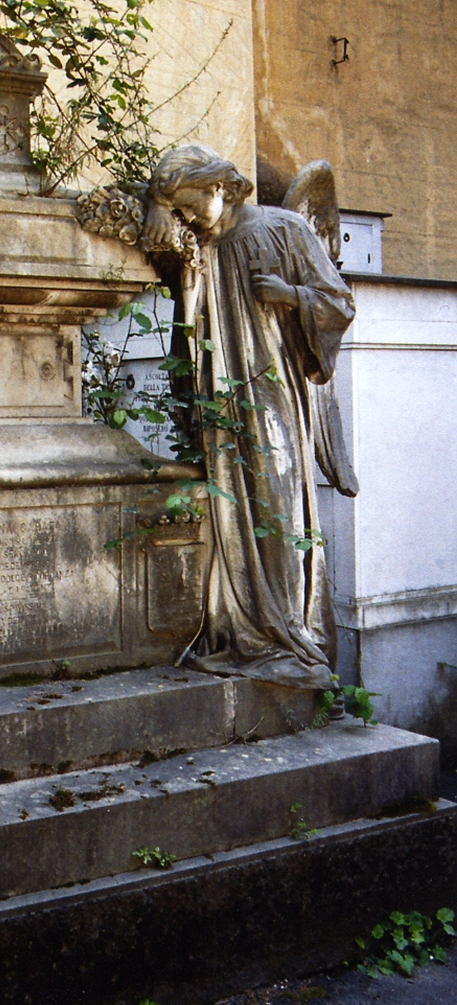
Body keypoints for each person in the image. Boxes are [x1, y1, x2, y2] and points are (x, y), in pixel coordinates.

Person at [141, 145, 355, 689]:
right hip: (224, 404)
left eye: (192, 205)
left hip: (274, 398)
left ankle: (291, 632)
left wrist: (291, 295)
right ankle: (245, 629)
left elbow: (340, 303)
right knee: (231, 512)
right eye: (180, 211)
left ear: (219, 187)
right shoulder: (202, 248)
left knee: (279, 507)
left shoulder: (285, 229)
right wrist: (164, 215)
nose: (189, 219)